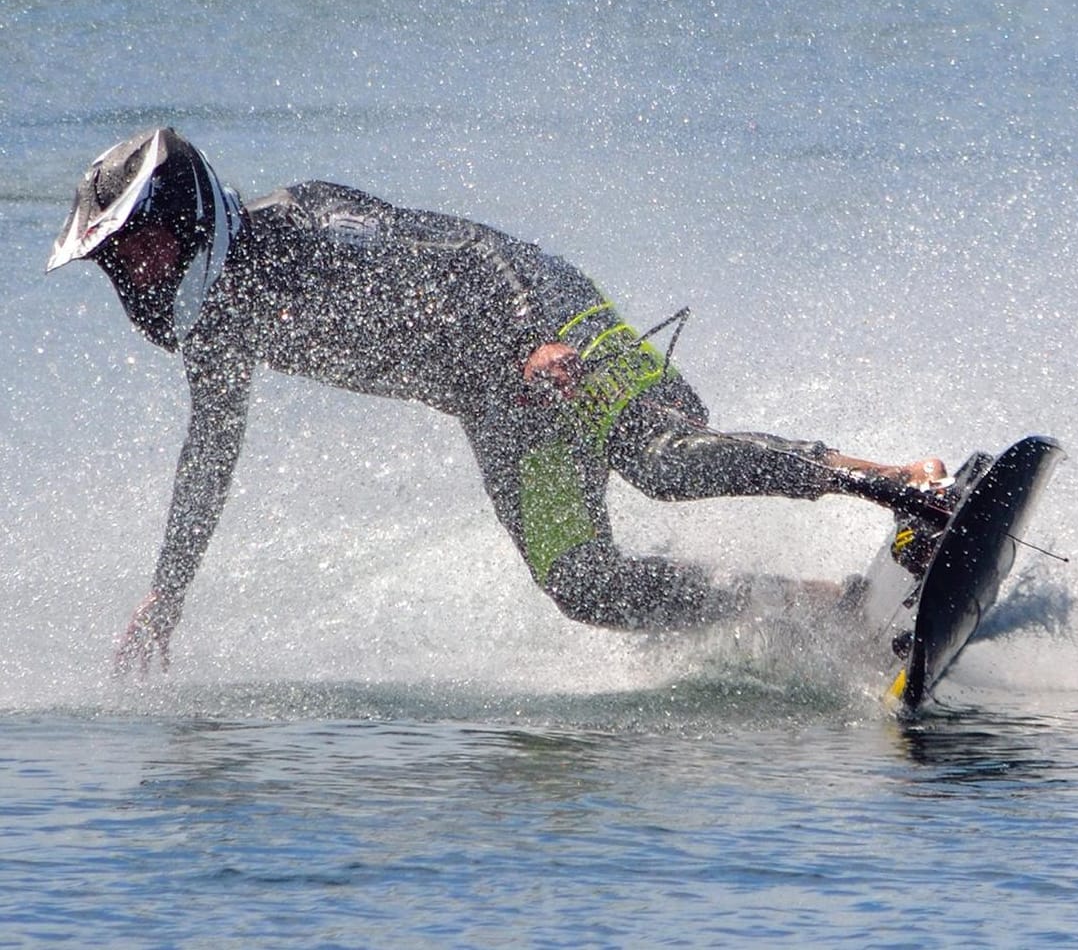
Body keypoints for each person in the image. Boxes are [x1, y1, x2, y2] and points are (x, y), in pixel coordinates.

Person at [48, 127, 945, 674]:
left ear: (179, 212)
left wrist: (534, 336)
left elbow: (472, 252)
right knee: (584, 585)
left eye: (134, 249)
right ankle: (819, 613)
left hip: (552, 325)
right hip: (505, 406)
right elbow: (209, 455)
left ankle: (905, 482)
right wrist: (166, 594)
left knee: (665, 464)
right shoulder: (224, 327)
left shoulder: (305, 225)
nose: (132, 271)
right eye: (117, 262)